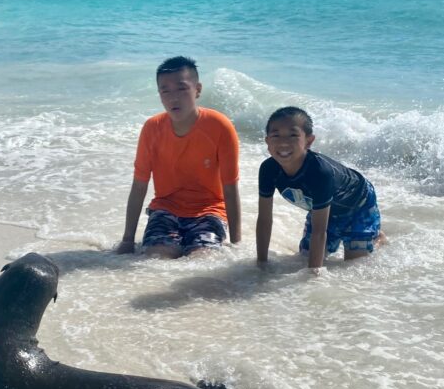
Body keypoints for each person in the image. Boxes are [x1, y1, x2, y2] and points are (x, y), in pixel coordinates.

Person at [116, 56, 241, 258]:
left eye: (181, 89)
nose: (173, 98)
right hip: (165, 209)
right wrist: (127, 240)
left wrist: (237, 244)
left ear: (197, 90)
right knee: (156, 259)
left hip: (209, 211)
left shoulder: (220, 126)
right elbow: (139, 185)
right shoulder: (152, 128)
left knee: (202, 260)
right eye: (165, 91)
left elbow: (230, 187)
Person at [256, 106, 385, 271]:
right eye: (276, 135)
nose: (283, 142)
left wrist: (313, 275)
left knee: (353, 265)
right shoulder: (268, 169)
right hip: (323, 209)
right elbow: (265, 219)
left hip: (358, 203)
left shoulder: (319, 172)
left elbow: (319, 231)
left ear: (309, 141)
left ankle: (377, 239)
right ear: (267, 141)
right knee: (304, 259)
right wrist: (261, 263)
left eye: (293, 135)